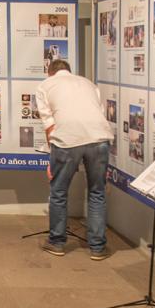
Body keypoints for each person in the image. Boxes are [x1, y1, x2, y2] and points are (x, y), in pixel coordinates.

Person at [34, 60, 112, 259]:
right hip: (100, 138)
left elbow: (49, 124)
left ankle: (57, 242)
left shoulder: (45, 85)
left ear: (49, 72)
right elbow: (98, 113)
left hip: (67, 139)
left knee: (59, 192)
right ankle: (97, 248)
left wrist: (52, 159)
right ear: (68, 70)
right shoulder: (88, 83)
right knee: (97, 192)